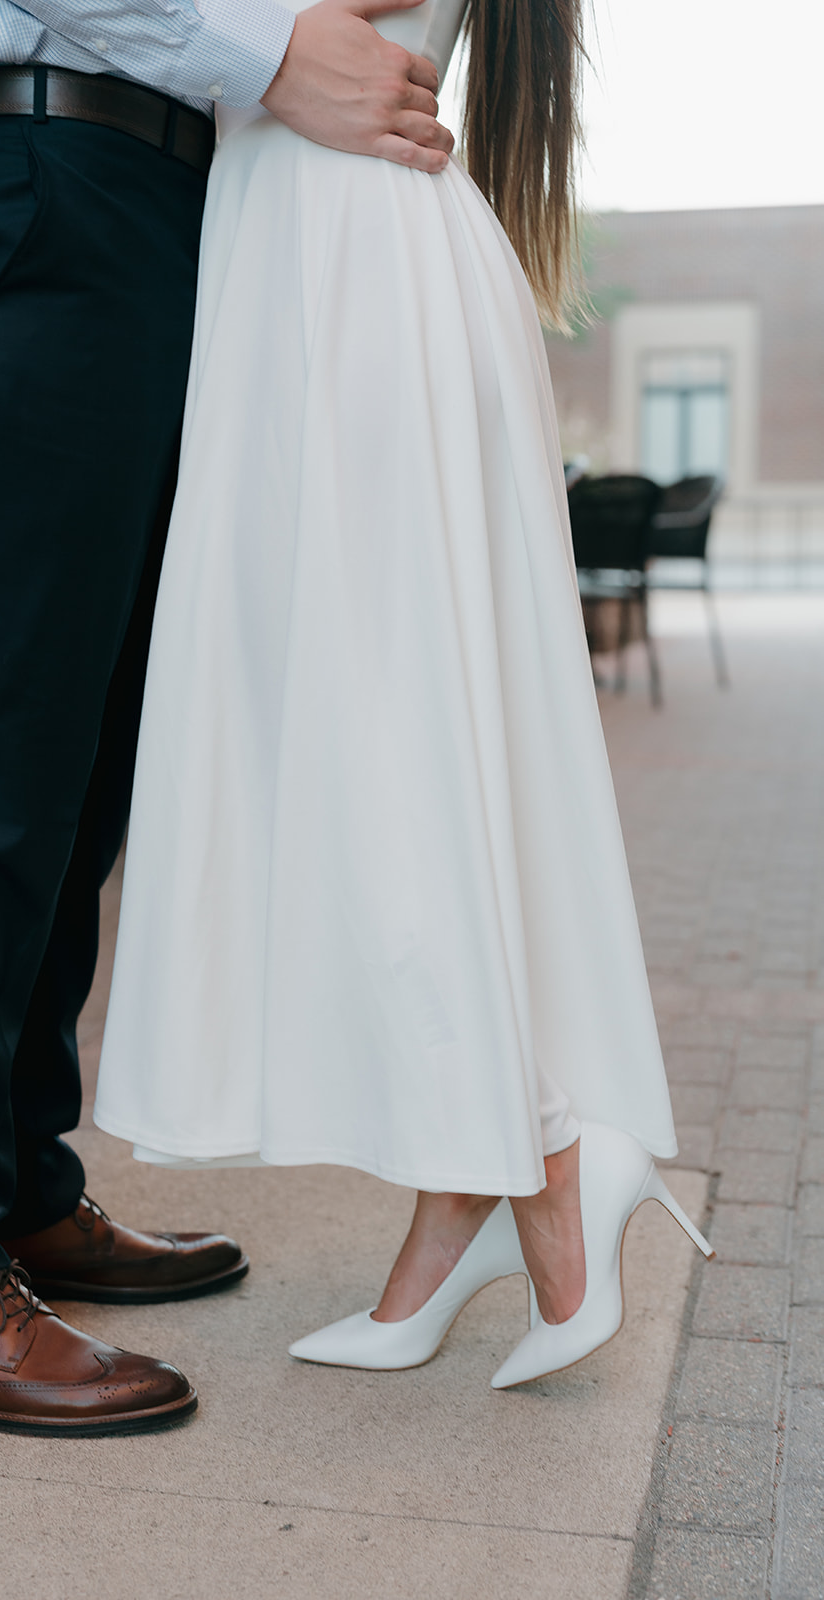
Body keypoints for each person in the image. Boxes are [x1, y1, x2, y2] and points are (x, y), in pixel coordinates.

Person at [0, 0, 455, 1437]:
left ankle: (20, 1185)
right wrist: (278, 49)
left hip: (157, 202)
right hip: (32, 178)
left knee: (84, 759)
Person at [95, 0, 715, 1387]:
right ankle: (473, 1198)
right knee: (396, 739)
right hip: (331, 243)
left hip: (345, 259)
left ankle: (547, 1169)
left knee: (386, 744)